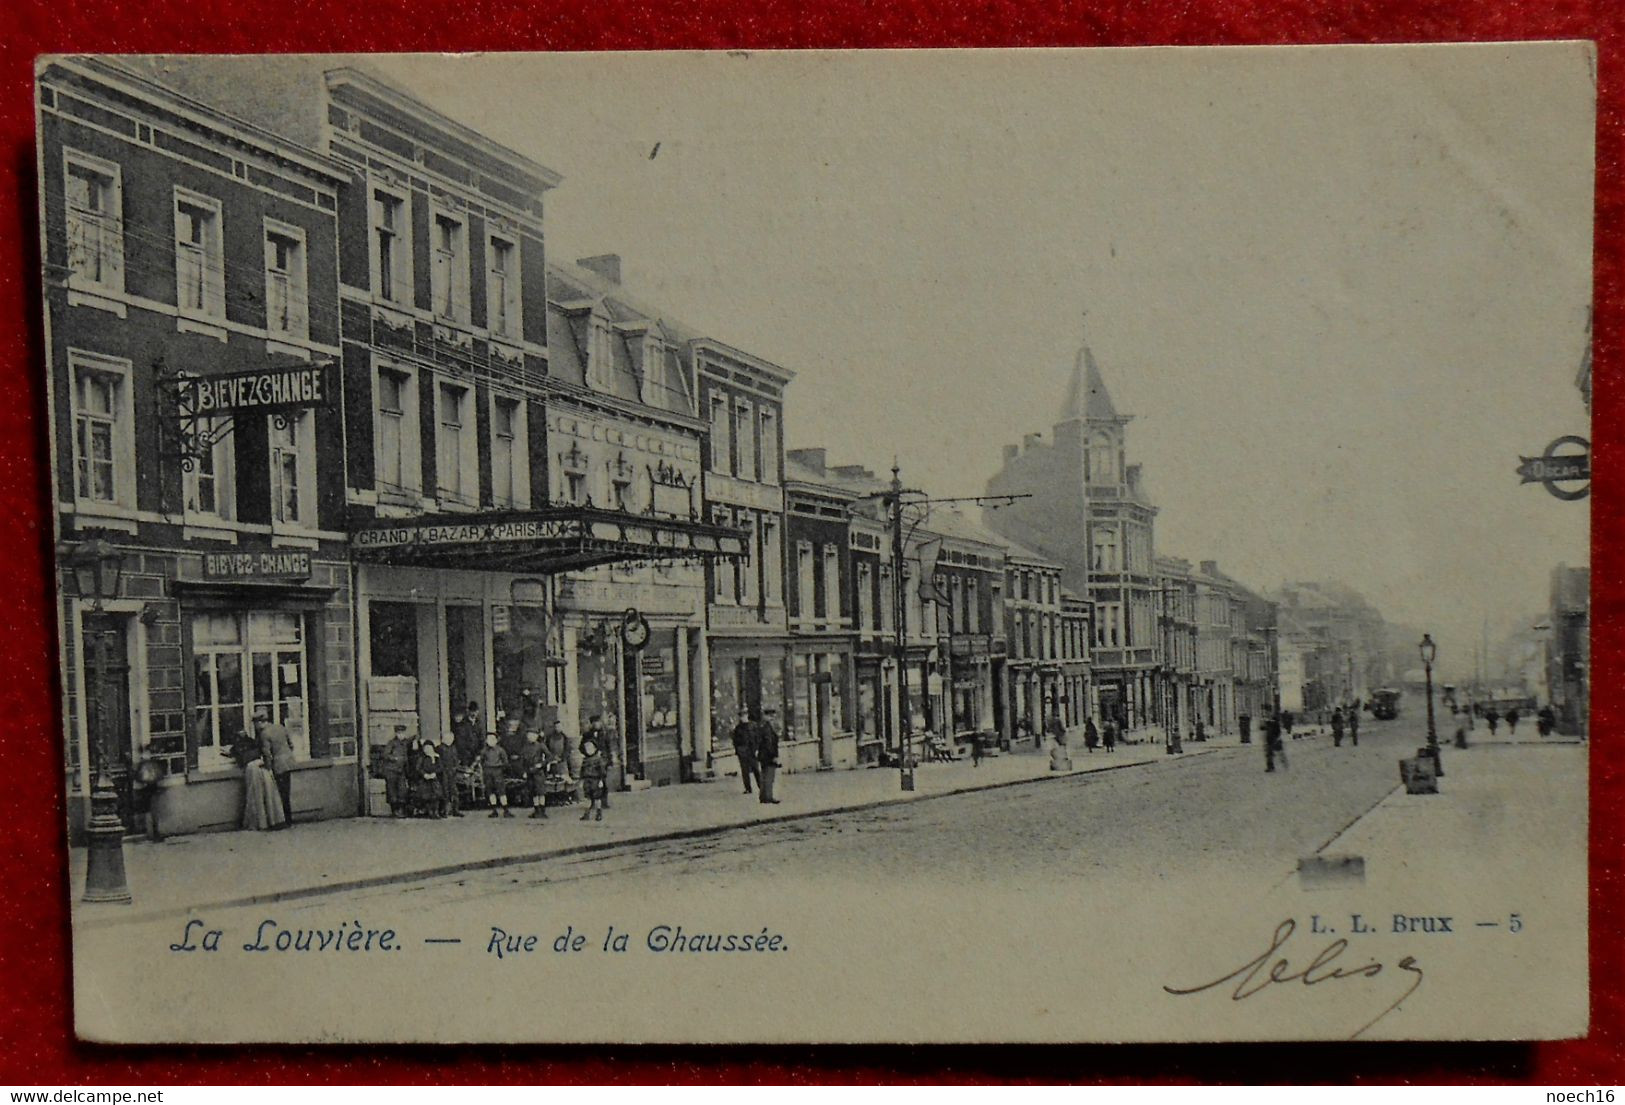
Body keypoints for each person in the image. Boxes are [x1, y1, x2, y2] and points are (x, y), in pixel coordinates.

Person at [256, 709, 296, 830]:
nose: (256, 727)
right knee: (286, 792)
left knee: (279, 793)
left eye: (256, 724)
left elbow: (267, 754)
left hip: (278, 764)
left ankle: (282, 821)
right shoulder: (280, 727)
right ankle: (289, 820)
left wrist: (268, 767)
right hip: (288, 761)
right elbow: (291, 745)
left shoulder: (264, 734)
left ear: (260, 722)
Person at [409, 736, 443, 818]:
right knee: (427, 796)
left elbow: (440, 767)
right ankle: (430, 812)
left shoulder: (436, 757)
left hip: (434, 778)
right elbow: (418, 768)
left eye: (429, 748)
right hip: (425, 779)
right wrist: (424, 775)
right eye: (426, 748)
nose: (427, 750)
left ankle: (436, 812)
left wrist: (435, 773)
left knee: (436, 795)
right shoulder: (422, 758)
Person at [380, 725, 411, 817]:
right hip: (391, 770)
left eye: (403, 733)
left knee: (402, 790)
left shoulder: (405, 742)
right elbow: (385, 755)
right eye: (399, 733)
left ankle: (401, 809)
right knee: (392, 790)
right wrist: (394, 758)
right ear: (396, 733)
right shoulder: (392, 743)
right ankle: (395, 810)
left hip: (401, 770)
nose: (401, 735)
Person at [480, 733, 512, 818]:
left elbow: (505, 762)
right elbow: (481, 761)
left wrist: (501, 769)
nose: (491, 741)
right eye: (489, 740)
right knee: (490, 791)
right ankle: (494, 810)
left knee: (501, 791)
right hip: (488, 772)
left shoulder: (501, 750)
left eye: (493, 739)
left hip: (498, 772)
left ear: (496, 740)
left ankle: (506, 810)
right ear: (486, 741)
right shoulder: (484, 751)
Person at [519, 730, 550, 820]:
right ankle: (536, 811)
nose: (531, 737)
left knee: (541, 792)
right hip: (529, 772)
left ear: (536, 736)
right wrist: (523, 771)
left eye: (533, 735)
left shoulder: (541, 746)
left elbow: (549, 756)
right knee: (533, 792)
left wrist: (541, 764)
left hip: (539, 772)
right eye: (529, 735)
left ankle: (543, 811)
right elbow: (522, 760)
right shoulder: (524, 747)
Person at [579, 737, 609, 821]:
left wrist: (601, 781)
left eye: (590, 748)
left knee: (597, 798)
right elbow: (582, 771)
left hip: (595, 780)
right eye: (587, 748)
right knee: (587, 798)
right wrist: (581, 781)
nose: (588, 750)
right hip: (587, 780)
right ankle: (587, 814)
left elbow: (602, 771)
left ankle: (599, 813)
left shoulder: (598, 759)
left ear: (595, 749)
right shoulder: (585, 760)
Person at [731, 711, 761, 794]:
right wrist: (738, 751)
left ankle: (761, 786)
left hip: (752, 751)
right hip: (743, 752)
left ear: (747, 716)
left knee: (756, 769)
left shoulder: (753, 726)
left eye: (744, 716)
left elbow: (758, 738)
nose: (743, 718)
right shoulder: (738, 728)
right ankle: (748, 788)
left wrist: (757, 749)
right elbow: (735, 740)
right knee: (745, 771)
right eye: (741, 716)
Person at [757, 707, 782, 804]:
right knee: (769, 777)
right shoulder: (767, 728)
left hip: (762, 755)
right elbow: (769, 743)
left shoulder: (762, 726)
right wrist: (774, 756)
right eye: (771, 716)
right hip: (768, 755)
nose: (772, 718)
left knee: (764, 776)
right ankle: (768, 797)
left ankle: (763, 796)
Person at [438, 731, 464, 817]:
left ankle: (455, 810)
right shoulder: (440, 748)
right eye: (447, 738)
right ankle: (444, 810)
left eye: (451, 738)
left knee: (454, 791)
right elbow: (439, 761)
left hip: (452, 772)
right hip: (444, 772)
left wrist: (455, 767)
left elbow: (456, 760)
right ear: (443, 739)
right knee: (445, 791)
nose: (449, 740)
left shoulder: (453, 748)